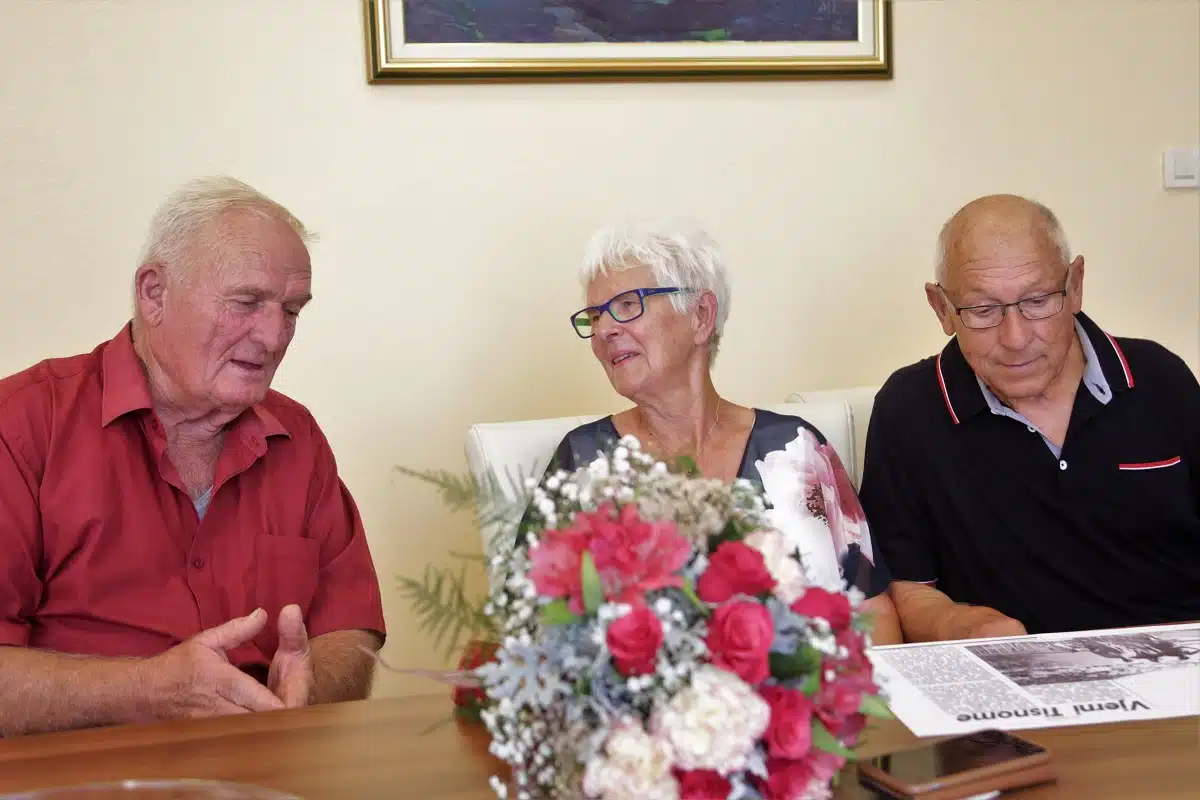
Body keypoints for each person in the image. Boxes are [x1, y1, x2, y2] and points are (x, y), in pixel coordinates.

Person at [0, 176, 387, 737]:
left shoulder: (298, 436)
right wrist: (144, 692)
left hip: (266, 768)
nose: (273, 336)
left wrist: (309, 689)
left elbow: (349, 626)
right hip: (85, 774)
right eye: (246, 302)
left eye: (291, 311)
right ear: (154, 294)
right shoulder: (22, 425)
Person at [858, 194, 1200, 640]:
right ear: (942, 308)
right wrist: (958, 624)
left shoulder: (1159, 378)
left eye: (1037, 301)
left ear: (1075, 285)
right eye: (983, 310)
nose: (1016, 338)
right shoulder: (910, 409)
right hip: (1017, 668)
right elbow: (907, 587)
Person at [549, 219, 903, 644]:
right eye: (595, 316)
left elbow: (872, 612)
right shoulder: (583, 461)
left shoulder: (796, 451)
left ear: (701, 316)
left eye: (627, 305)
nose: (604, 329)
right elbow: (534, 634)